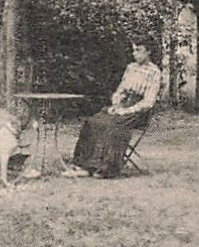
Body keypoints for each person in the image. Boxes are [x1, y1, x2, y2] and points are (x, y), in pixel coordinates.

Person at [64, 39, 161, 179]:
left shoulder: (154, 72)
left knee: (113, 124)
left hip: (138, 111)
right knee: (93, 121)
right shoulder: (131, 68)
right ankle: (83, 165)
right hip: (121, 105)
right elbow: (120, 89)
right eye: (133, 50)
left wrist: (127, 110)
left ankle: (106, 168)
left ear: (148, 51)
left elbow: (148, 101)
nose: (135, 54)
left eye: (139, 50)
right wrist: (116, 104)